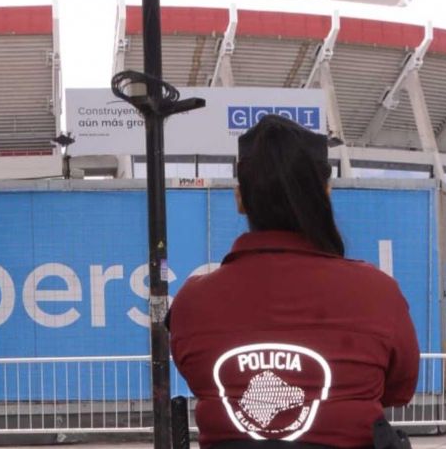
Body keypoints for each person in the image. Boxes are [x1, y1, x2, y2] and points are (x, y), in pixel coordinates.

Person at [169, 115, 420, 449]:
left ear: (240, 199)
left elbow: (198, 378)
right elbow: (398, 391)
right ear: (326, 194)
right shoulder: (378, 293)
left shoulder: (191, 302)